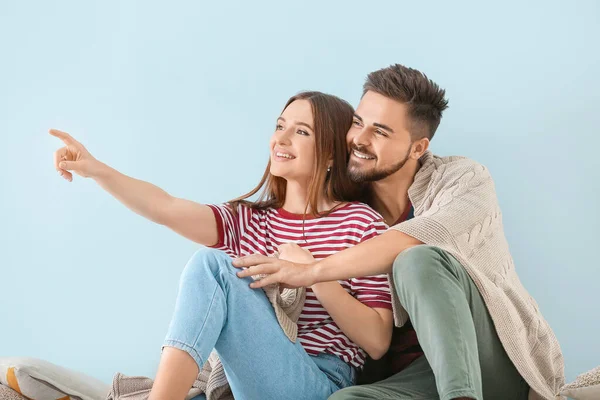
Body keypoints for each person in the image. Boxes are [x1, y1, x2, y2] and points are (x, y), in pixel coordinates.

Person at [234, 65, 565, 400]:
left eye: (381, 132)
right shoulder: (348, 211)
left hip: (494, 362)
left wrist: (311, 271)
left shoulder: (463, 180)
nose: (359, 140)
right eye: (358, 123)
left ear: (417, 148)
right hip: (415, 378)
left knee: (416, 260)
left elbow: (414, 237)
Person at [49, 91, 395, 400]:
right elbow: (164, 207)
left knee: (212, 264)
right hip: (242, 382)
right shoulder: (247, 220)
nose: (281, 138)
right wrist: (96, 170)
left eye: (301, 131)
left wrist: (314, 275)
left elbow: (378, 342)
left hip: (319, 382)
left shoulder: (361, 224)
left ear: (332, 154)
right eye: (280, 125)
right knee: (211, 264)